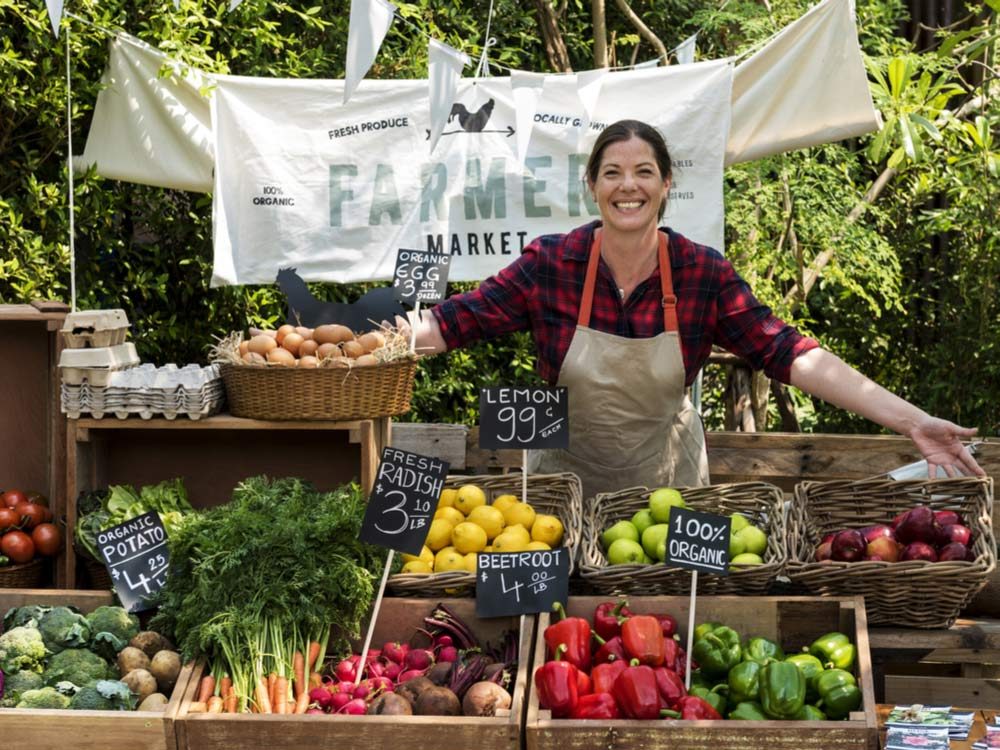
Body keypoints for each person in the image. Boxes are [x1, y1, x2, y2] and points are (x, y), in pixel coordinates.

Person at [401, 119, 984, 500]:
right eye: (612, 173)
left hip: (668, 494)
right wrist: (362, 348)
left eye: (643, 172)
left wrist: (911, 420)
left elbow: (791, 354)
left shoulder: (701, 272)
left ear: (665, 184)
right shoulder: (552, 263)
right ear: (593, 186)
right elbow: (455, 322)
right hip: (560, 494)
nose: (627, 186)